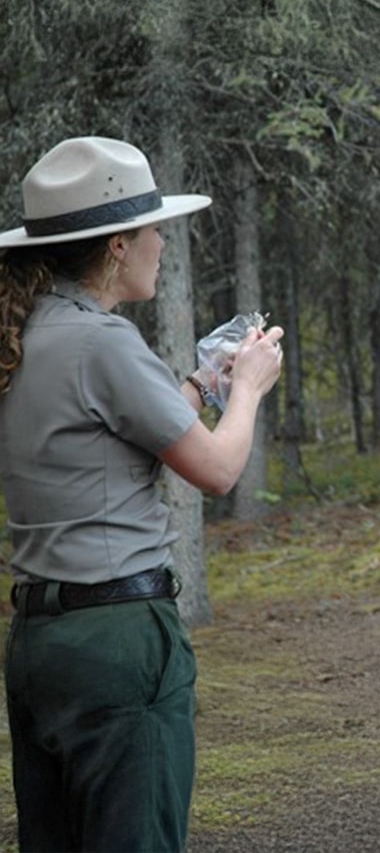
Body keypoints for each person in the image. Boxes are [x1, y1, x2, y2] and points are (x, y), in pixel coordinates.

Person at [0, 136, 284, 852]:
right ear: (119, 245)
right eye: (156, 228)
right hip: (120, 640)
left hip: (40, 641)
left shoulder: (26, 334)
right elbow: (218, 470)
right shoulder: (105, 344)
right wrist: (246, 388)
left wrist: (199, 384)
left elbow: (113, 433)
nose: (164, 241)